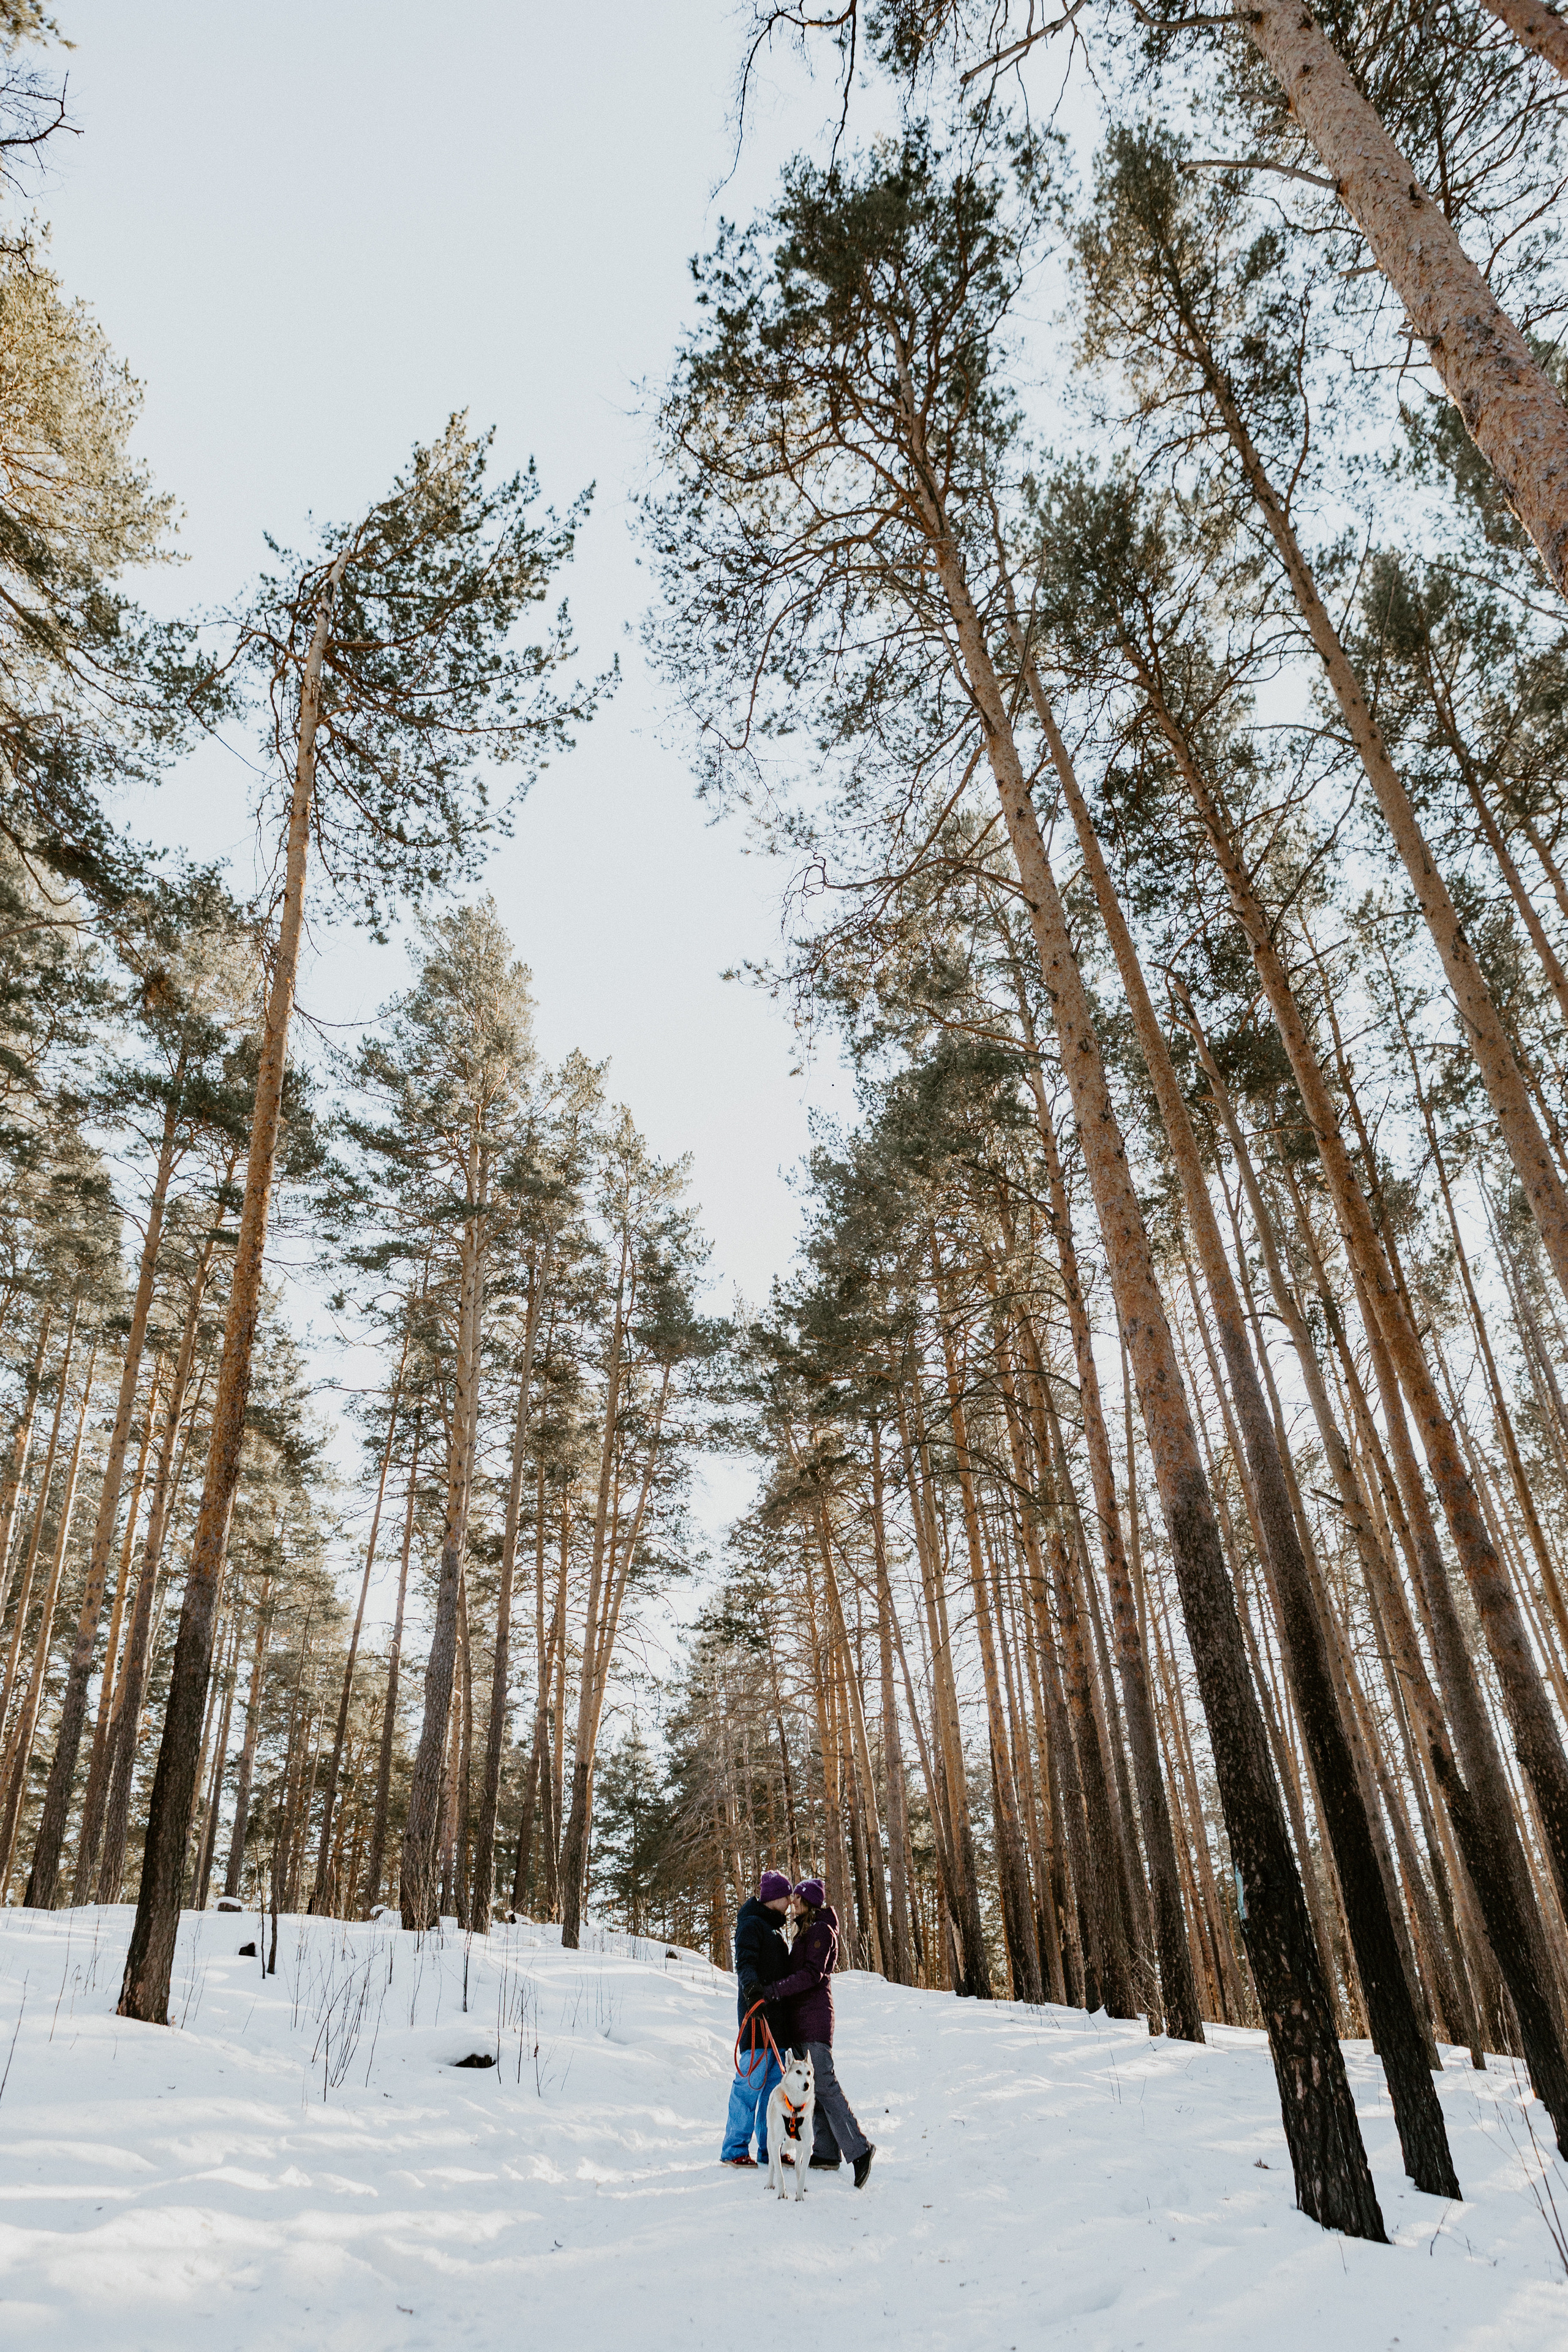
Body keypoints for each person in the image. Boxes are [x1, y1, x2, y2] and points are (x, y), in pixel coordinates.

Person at [768, 1877, 875, 2188]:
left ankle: (860, 2149)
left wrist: (777, 1990)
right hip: (799, 2022)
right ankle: (827, 2152)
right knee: (810, 2088)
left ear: (810, 1903)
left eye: (799, 1899)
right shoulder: (806, 1931)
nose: (794, 1903)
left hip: (814, 2020)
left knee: (825, 2085)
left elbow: (812, 1974)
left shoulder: (821, 1932)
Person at [721, 1868, 793, 2169]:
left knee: (775, 2092)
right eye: (786, 1895)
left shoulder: (772, 1928)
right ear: (773, 1898)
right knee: (749, 2087)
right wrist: (752, 1992)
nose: (791, 1901)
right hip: (757, 2019)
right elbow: (746, 1963)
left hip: (776, 2024)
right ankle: (734, 2147)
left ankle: (770, 2148)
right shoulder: (751, 1925)